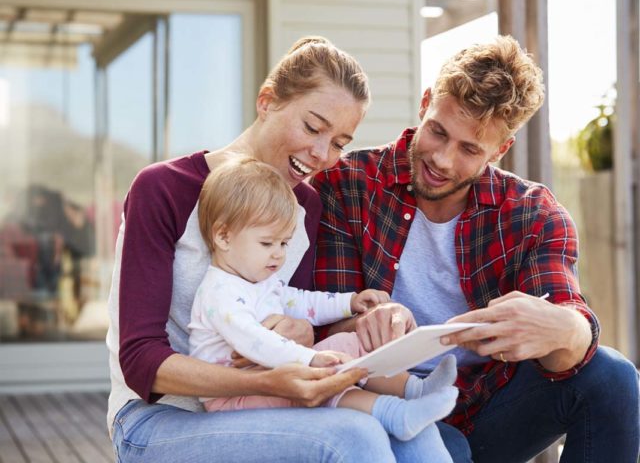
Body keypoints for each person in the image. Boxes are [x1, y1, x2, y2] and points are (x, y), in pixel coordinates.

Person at [106, 35, 471, 462]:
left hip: (266, 406)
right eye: (313, 127)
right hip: (157, 419)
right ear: (267, 101)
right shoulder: (164, 189)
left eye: (339, 142)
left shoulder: (305, 206)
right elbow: (141, 360)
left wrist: (323, 325)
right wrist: (266, 381)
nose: (321, 154)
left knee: (418, 434)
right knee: (353, 436)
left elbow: (289, 313)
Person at [311, 34, 640, 462]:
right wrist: (364, 322)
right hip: (383, 405)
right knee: (444, 448)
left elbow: (572, 338)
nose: (443, 160)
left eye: (469, 149)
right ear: (426, 102)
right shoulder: (347, 185)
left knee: (614, 377)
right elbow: (320, 326)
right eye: (438, 132)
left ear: (500, 149)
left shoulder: (531, 214)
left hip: (489, 405)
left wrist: (561, 327)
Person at [188, 156, 458, 457]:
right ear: (223, 236)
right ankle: (395, 413)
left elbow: (301, 301)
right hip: (234, 399)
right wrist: (310, 360)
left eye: (284, 244)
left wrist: (350, 302)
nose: (278, 255)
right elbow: (255, 341)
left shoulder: (259, 280)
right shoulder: (219, 292)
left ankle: (414, 389)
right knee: (323, 380)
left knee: (351, 341)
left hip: (268, 376)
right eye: (267, 244)